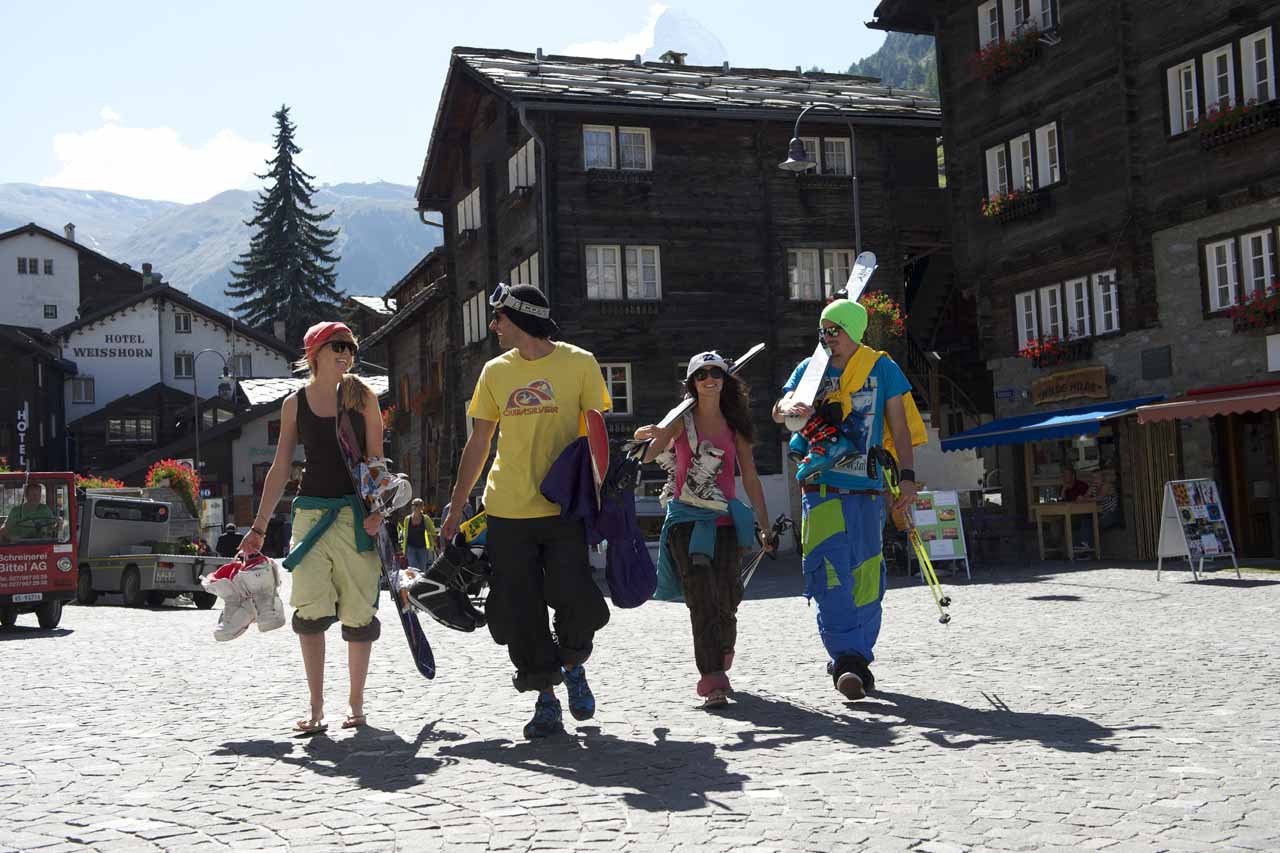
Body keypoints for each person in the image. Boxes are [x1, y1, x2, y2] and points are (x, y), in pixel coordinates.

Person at [439, 283, 611, 739]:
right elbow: (479, 443)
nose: (493, 326)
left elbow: (597, 436)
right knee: (521, 609)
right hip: (507, 510)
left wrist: (602, 496)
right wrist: (456, 507)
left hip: (563, 508)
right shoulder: (494, 372)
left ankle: (573, 664)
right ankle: (546, 699)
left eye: (498, 318)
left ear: (520, 318)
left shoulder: (580, 364)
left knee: (575, 597)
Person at [773, 298, 923, 701]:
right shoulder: (810, 368)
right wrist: (792, 406)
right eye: (823, 330)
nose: (828, 338)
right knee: (827, 574)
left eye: (835, 330)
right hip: (821, 489)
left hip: (867, 489)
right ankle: (846, 660)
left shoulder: (882, 367)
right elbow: (780, 409)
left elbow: (901, 427)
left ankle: (857, 656)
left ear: (853, 331)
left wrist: (907, 478)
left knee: (867, 575)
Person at [239, 321, 385, 734]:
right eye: (336, 345)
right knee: (310, 608)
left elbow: (376, 462)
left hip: (357, 518)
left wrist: (378, 510)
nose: (345, 353)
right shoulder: (294, 404)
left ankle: (356, 705)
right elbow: (281, 467)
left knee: (359, 611)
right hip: (310, 517)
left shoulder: (364, 397)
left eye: (350, 347)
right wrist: (259, 527)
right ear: (314, 353)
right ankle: (316, 706)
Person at [634, 351, 773, 709]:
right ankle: (712, 678)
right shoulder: (682, 421)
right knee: (702, 600)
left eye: (716, 373)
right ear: (692, 383)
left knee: (728, 598)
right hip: (686, 521)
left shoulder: (734, 423)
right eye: (701, 374)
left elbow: (751, 476)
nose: (710, 379)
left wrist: (764, 523)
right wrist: (650, 434)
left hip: (726, 522)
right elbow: (648, 457)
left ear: (725, 380)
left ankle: (723, 647)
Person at [1060, 467, 1094, 552]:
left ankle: (1078, 550)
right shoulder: (1063, 488)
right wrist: (1063, 490)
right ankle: (1062, 551)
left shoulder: (1081, 485)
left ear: (1073, 476)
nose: (1064, 477)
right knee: (1055, 524)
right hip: (1068, 515)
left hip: (1083, 515)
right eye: (1063, 475)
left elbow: (1087, 500)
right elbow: (1061, 502)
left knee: (1080, 520)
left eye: (1066, 475)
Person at [398, 498, 437, 570]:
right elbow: (406, 533)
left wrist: (434, 543)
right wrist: (404, 549)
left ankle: (421, 581)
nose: (415, 507)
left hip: (422, 547)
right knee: (412, 567)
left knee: (422, 568)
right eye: (413, 505)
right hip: (410, 547)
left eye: (418, 505)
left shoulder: (426, 519)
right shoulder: (407, 519)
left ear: (422, 507)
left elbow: (432, 532)